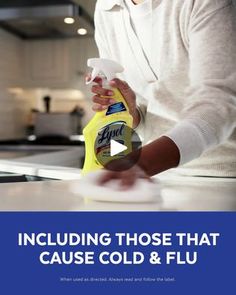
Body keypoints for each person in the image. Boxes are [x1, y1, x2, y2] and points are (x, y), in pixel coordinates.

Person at [89, 0, 236, 187]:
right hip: (160, 177)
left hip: (225, 178)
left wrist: (140, 163)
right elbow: (150, 111)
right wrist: (132, 113)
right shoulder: (107, 7)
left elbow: (219, 107)